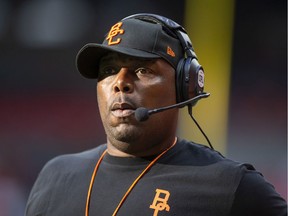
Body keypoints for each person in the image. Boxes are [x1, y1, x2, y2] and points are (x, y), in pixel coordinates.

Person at [25, 13, 287, 216]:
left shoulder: (229, 186)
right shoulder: (55, 175)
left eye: (142, 70)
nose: (119, 82)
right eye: (108, 70)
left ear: (184, 86)